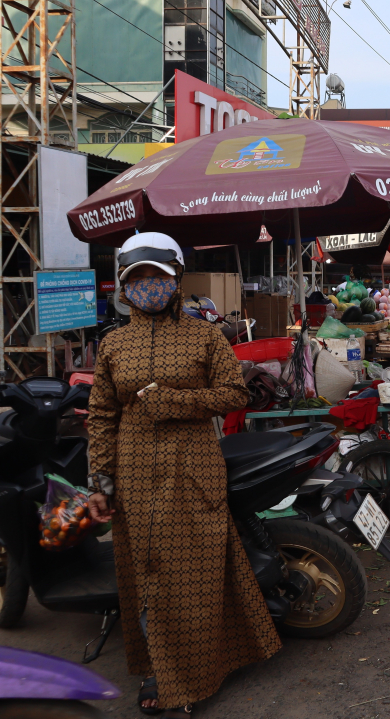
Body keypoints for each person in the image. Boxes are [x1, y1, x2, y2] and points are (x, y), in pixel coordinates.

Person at [85, 233, 280, 718]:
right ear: (126, 287)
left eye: (158, 277)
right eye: (139, 278)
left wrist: (172, 401)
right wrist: (101, 483)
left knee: (190, 574)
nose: (149, 285)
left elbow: (235, 394)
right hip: (132, 474)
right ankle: (157, 669)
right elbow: (102, 416)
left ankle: (194, 672)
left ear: (175, 280)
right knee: (144, 576)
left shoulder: (205, 335)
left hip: (192, 469)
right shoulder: (113, 344)